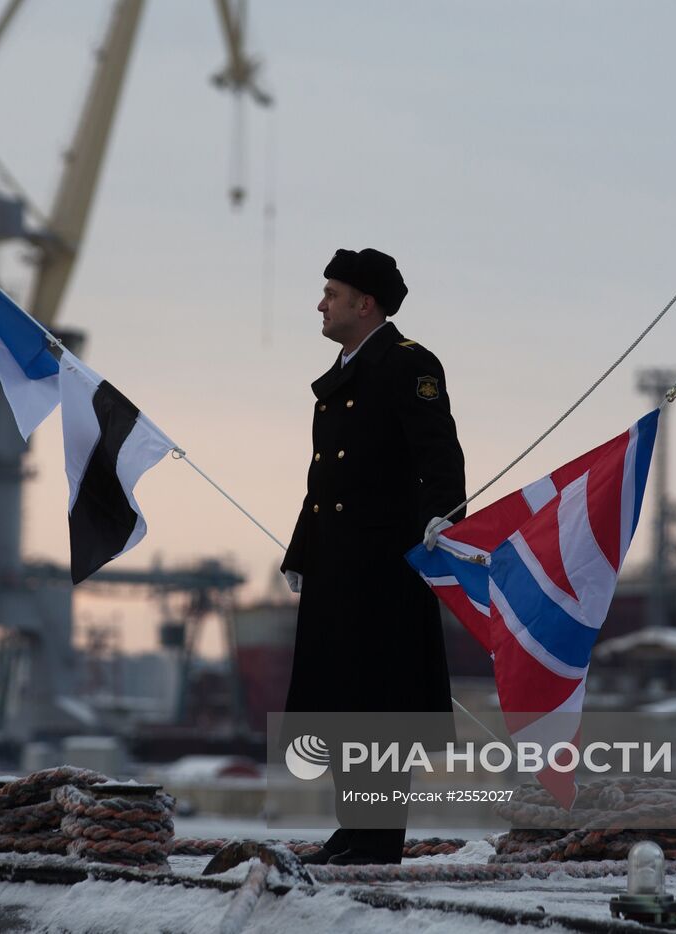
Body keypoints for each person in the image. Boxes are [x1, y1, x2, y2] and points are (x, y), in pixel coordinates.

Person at [281, 247, 466, 865]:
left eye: (331, 293)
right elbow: (323, 478)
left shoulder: (408, 365)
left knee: (379, 704)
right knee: (341, 699)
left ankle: (379, 838)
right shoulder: (344, 371)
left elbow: (439, 456)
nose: (321, 304)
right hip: (338, 564)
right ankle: (354, 828)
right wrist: (302, 549)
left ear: (365, 303)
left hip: (387, 566)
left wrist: (443, 523)